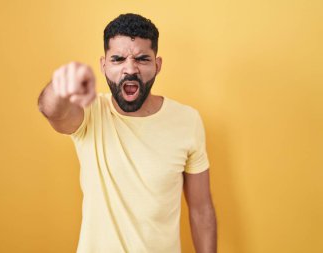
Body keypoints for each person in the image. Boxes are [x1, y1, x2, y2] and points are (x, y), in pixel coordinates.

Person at [38, 13, 217, 253]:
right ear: (103, 65)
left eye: (142, 59)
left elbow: (201, 209)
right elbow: (51, 110)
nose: (130, 69)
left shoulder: (187, 120)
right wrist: (63, 83)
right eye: (118, 59)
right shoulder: (90, 113)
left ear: (158, 65)